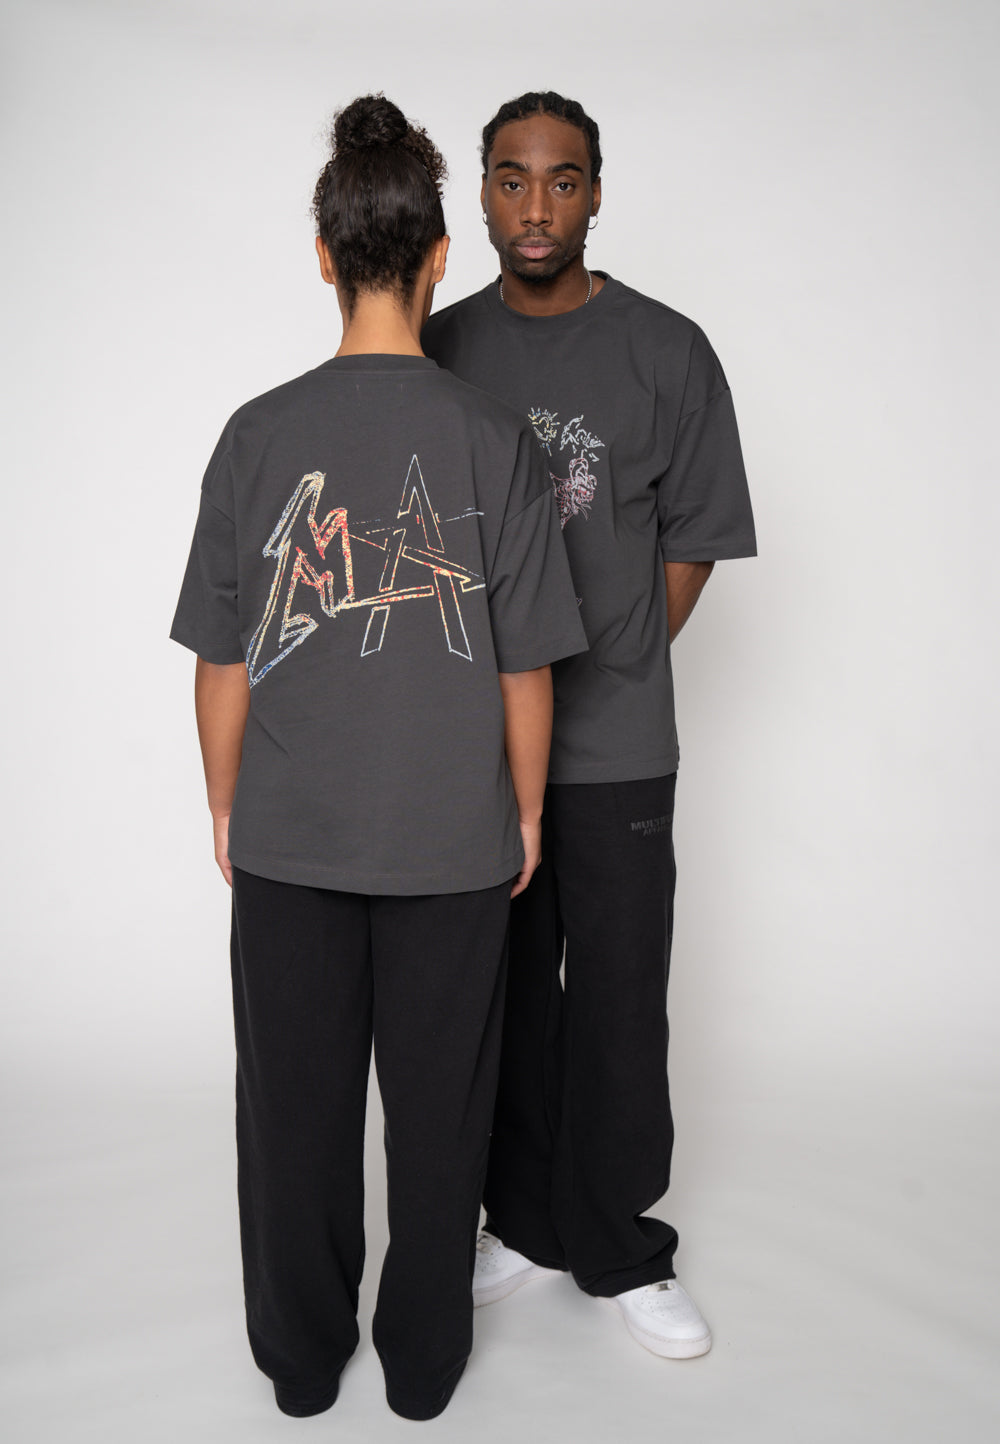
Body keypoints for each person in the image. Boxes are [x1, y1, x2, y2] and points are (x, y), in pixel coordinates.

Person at [170, 95, 585, 1421]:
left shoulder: (255, 435)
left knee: (291, 1121)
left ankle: (300, 1367)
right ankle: (423, 1367)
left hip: (291, 842)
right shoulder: (492, 439)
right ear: (443, 256)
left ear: (323, 255)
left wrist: (226, 805)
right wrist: (527, 814)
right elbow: (526, 667)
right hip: (452, 844)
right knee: (442, 1118)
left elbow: (221, 660)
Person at [422, 90, 757, 1361]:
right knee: (502, 995)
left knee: (618, 998)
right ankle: (522, 1221)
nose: (536, 205)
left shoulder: (666, 350)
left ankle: (617, 1243)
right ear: (480, 195)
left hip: (616, 749)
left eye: (562, 180)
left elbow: (696, 537)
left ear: (597, 194)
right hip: (473, 749)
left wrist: (616, 655)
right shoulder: (441, 346)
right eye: (511, 178)